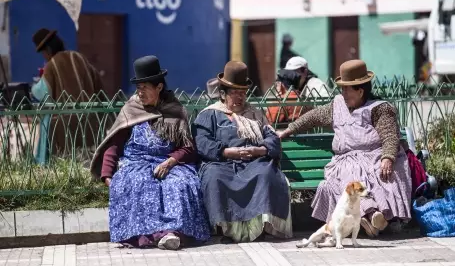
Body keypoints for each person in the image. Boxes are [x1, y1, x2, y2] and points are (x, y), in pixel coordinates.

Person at [277, 60, 412, 237]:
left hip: (374, 157)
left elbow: (389, 135)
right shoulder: (338, 104)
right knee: (347, 171)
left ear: (360, 90)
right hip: (345, 161)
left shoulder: (379, 109)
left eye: (347, 88)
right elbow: (313, 117)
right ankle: (371, 215)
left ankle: (371, 217)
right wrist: (288, 130)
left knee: (363, 172)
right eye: (342, 88)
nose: (343, 92)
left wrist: (387, 157)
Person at [90, 55, 210, 249]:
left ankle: (174, 232)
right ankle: (152, 236)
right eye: (138, 88)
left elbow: (188, 147)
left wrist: (170, 162)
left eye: (144, 87)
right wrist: (107, 176)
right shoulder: (132, 108)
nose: (140, 92)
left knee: (181, 183)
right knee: (140, 183)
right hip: (136, 162)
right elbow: (114, 144)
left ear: (159, 87)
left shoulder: (175, 109)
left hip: (168, 162)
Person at [192, 61, 292, 243]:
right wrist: (228, 152)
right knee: (214, 177)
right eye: (234, 93)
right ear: (223, 94)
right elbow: (203, 142)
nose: (239, 97)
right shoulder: (210, 115)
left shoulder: (255, 114)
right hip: (222, 163)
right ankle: (227, 230)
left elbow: (273, 139)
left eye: (242, 93)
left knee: (265, 173)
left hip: (253, 163)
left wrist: (260, 150)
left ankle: (258, 228)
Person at [31, 28, 105, 163]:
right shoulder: (78, 57)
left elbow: (42, 93)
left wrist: (32, 88)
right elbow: (98, 84)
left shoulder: (52, 64)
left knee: (64, 162)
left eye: (43, 53)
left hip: (64, 127)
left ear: (47, 49)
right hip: (90, 123)